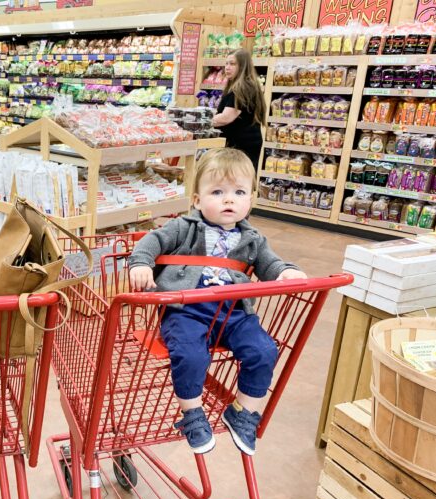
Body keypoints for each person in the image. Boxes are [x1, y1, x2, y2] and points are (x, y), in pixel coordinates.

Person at [128, 148, 307, 456]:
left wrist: (286, 272)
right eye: (217, 191)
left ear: (250, 199)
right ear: (197, 200)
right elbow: (153, 240)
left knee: (265, 351)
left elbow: (270, 263)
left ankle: (243, 412)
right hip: (187, 311)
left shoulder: (253, 238)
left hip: (234, 313)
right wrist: (141, 262)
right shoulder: (184, 227)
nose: (229, 200)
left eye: (239, 192)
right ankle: (192, 413)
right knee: (190, 355)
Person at [212, 49, 266, 170]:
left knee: (236, 181)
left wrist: (203, 122)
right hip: (244, 143)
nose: (227, 67)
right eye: (226, 63)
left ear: (242, 66)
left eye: (232, 64)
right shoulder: (243, 85)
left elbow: (226, 118)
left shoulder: (242, 88)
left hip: (241, 146)